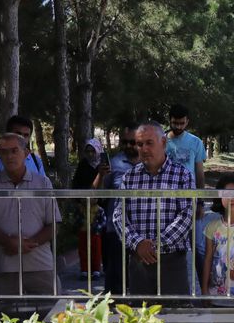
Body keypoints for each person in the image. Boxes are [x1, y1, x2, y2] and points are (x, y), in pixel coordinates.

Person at [113, 121, 194, 297]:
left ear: (163, 142)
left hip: (171, 261)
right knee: (140, 319)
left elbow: (187, 215)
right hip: (138, 260)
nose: (143, 149)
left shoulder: (182, 175)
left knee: (176, 319)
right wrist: (137, 243)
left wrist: (155, 245)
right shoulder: (130, 177)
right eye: (139, 144)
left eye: (149, 143)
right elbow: (119, 215)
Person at [0, 131, 59, 297]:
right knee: (2, 319)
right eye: (3, 152)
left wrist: (28, 244)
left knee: (51, 317)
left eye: (14, 150)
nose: (9, 156)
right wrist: (8, 242)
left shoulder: (43, 183)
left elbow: (54, 223)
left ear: (26, 153)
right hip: (3, 267)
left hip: (40, 265)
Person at [166, 104, 208, 290]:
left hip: (190, 202)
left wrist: (200, 202)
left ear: (187, 122)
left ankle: (205, 290)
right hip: (167, 204)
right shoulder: (162, 141)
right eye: (175, 122)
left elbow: (200, 174)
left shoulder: (195, 143)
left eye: (182, 123)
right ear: (170, 120)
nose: (178, 126)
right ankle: (175, 290)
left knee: (198, 248)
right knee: (173, 248)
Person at [101, 127, 139, 295]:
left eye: (133, 142)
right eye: (125, 142)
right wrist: (100, 175)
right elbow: (99, 194)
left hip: (142, 230)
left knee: (140, 279)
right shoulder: (114, 163)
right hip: (116, 228)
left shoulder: (149, 162)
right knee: (115, 279)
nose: (129, 145)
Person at [70, 138, 109, 278]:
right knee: (84, 240)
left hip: (101, 208)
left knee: (99, 239)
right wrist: (80, 199)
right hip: (84, 208)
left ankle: (99, 267)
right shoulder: (83, 165)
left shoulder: (104, 167)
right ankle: (85, 269)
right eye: (88, 151)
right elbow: (76, 185)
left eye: (93, 151)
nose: (91, 154)